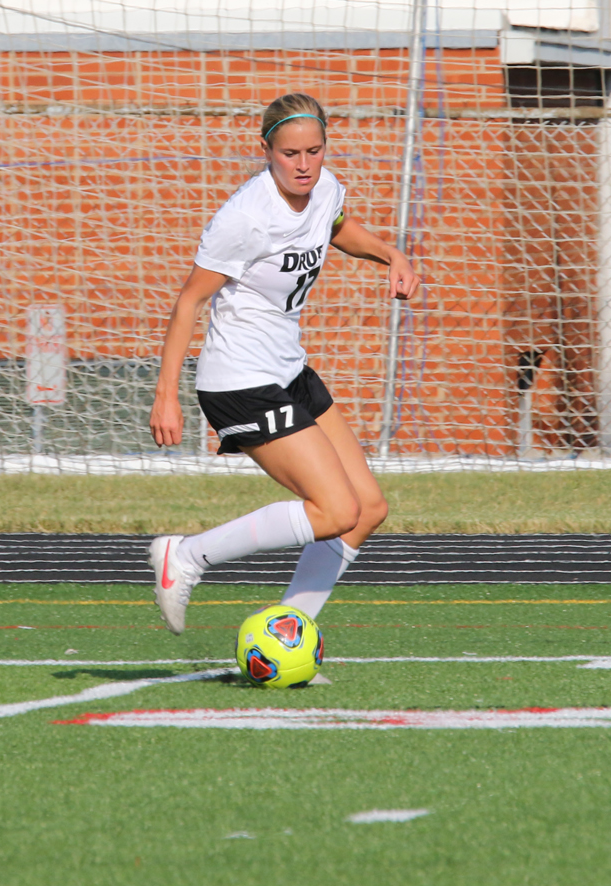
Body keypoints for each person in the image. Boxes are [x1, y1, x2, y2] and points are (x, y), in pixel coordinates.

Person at [145, 93, 419, 638]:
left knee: (367, 508)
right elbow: (188, 301)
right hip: (240, 380)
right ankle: (186, 555)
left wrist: (391, 254)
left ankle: (286, 634)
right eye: (290, 153)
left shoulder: (325, 189)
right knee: (335, 510)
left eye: (314, 151)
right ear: (266, 150)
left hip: (288, 370)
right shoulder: (246, 218)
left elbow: (336, 229)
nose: (303, 165)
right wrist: (165, 395)